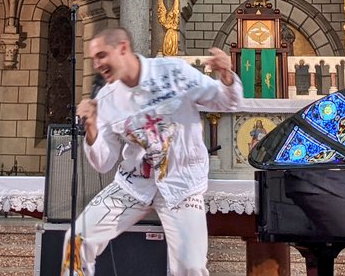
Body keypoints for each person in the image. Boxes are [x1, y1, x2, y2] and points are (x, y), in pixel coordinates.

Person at [63, 26, 243, 276]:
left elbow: (228, 101)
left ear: (122, 48)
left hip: (182, 185)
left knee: (190, 267)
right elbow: (103, 163)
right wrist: (91, 129)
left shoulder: (173, 73)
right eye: (94, 58)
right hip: (133, 185)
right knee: (76, 239)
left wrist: (226, 76)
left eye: (102, 55)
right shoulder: (105, 98)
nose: (97, 64)